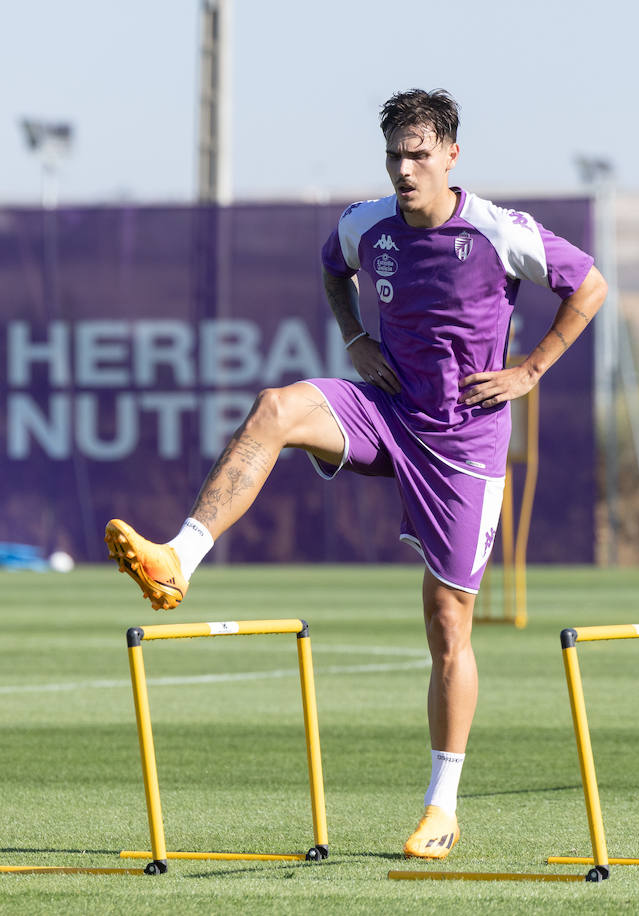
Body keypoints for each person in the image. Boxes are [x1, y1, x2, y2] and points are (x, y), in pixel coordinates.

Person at [105, 88, 606, 860]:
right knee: (274, 407)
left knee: (447, 624)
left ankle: (442, 806)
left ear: (451, 157)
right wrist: (352, 339)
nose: (405, 170)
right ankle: (179, 559)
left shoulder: (499, 231)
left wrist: (532, 368)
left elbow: (590, 284)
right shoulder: (364, 224)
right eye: (394, 156)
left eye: (419, 155)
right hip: (384, 408)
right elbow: (330, 267)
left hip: (465, 444)